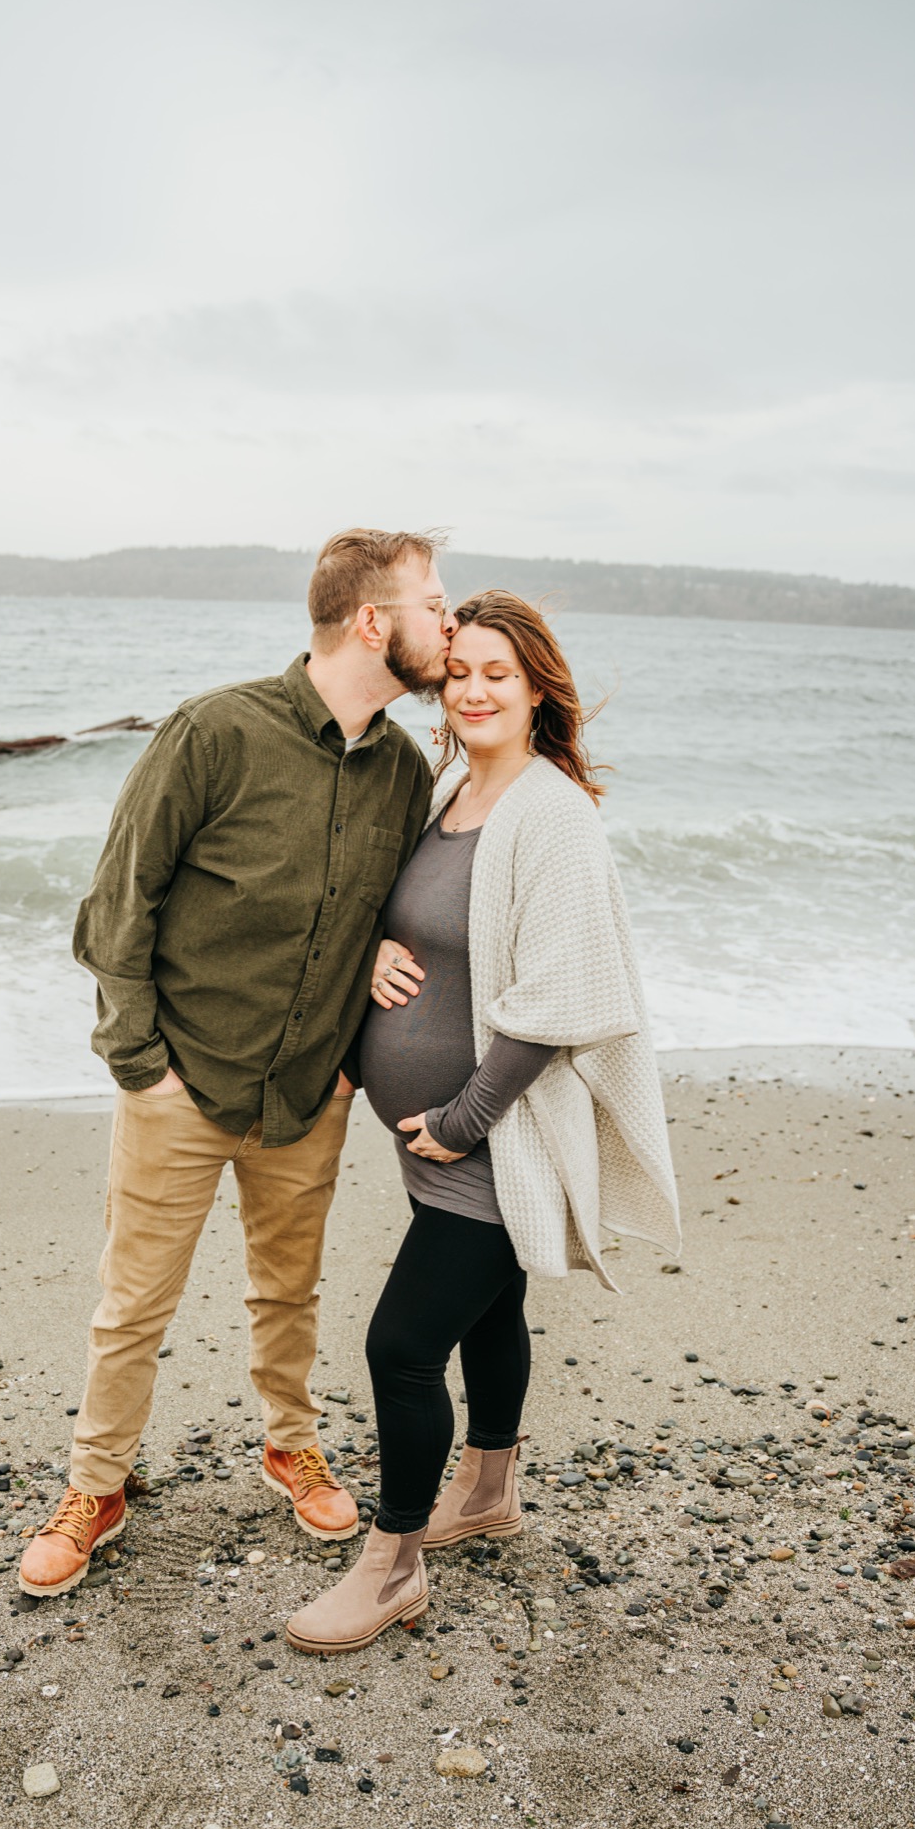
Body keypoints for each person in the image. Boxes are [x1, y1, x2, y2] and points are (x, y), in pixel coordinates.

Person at [19, 529, 456, 1597]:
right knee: (134, 1304)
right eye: (434, 605)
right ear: (371, 621)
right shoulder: (214, 731)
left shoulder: (403, 767)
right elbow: (116, 906)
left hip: (310, 1089)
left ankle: (289, 1444)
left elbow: (391, 917)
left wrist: (355, 1051)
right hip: (184, 1079)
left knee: (288, 1291)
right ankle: (96, 1485)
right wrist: (141, 1064)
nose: (448, 623)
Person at [285, 589, 681, 1654]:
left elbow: (564, 997)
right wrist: (369, 957)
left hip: (489, 1135)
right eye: (459, 670)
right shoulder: (456, 786)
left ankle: (392, 1563)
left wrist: (462, 1118)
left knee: (402, 1346)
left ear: (539, 684)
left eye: (497, 672)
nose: (472, 688)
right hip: (444, 1133)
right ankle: (489, 1487)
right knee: (488, 1310)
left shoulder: (550, 812)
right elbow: (409, 914)